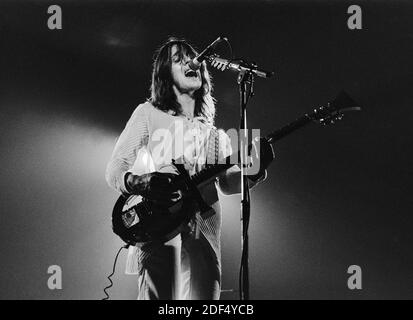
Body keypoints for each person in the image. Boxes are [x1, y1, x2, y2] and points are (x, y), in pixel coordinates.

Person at [105, 37, 274, 300]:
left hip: (205, 226)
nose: (190, 62)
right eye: (178, 59)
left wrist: (253, 172)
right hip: (160, 221)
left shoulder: (214, 133)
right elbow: (115, 167)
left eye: (191, 57)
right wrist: (141, 182)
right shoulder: (148, 113)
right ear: (164, 73)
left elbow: (227, 183)